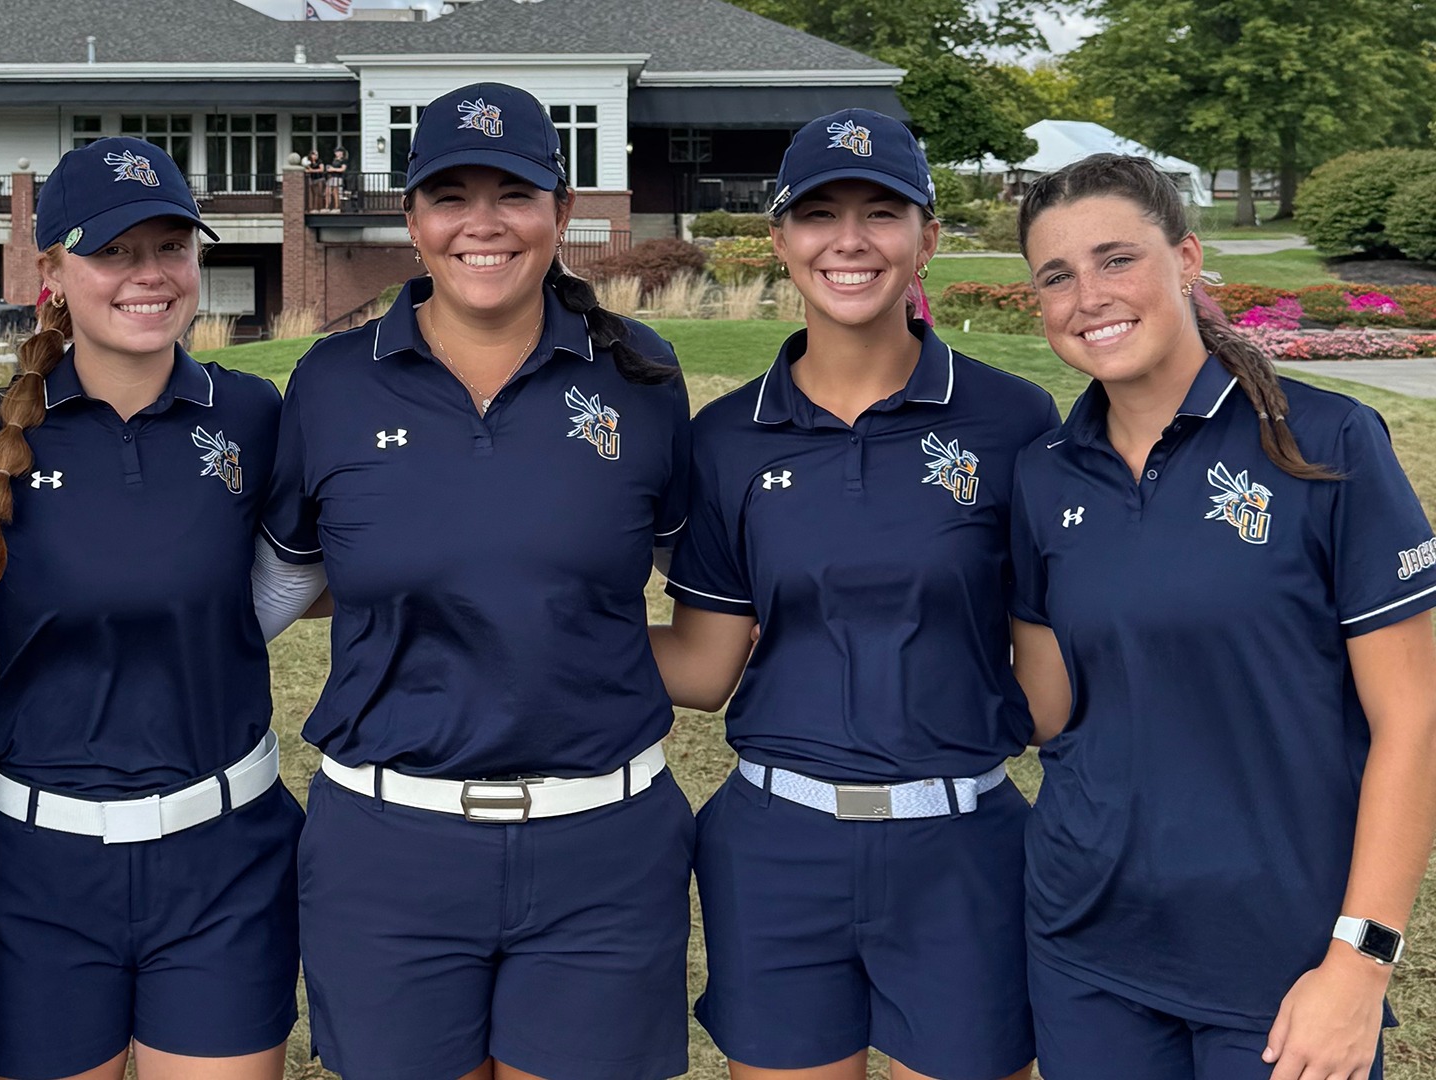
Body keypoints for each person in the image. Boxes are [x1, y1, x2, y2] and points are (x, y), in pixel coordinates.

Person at [262, 82, 694, 1080]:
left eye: (515, 192)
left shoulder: (640, 377)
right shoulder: (331, 382)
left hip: (604, 847)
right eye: (451, 195)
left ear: (563, 209)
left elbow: (712, 592)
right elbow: (270, 596)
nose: (484, 223)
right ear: (411, 220)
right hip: (388, 848)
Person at [649, 109, 1058, 1080]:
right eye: (819, 213)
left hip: (965, 850)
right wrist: (532, 620)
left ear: (929, 238)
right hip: (777, 850)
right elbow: (707, 669)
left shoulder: (1013, 420)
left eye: (882, 212)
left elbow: (1048, 689)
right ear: (781, 237)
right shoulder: (727, 440)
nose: (849, 241)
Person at [1008, 153, 1436, 1080]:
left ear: (1188, 259)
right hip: (1086, 943)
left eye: (1117, 259)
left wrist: (1360, 962)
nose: (1088, 296)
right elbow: (1047, 710)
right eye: (1057, 275)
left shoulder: (1325, 443)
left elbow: (1412, 724)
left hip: (1283, 965)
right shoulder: (1043, 473)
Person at [0, 137, 302, 1080]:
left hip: (224, 852)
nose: (149, 276)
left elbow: (328, 568)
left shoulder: (256, 415)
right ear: (51, 271)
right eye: (113, 251)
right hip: (37, 864)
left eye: (171, 246)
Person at [324, 145, 349, 211]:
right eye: (337, 152)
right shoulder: (334, 160)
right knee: (327, 191)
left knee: (336, 192)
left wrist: (333, 169)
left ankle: (337, 207)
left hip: (338, 177)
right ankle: (327, 206)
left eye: (339, 152)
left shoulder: (344, 160)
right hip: (332, 177)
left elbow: (342, 169)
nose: (338, 153)